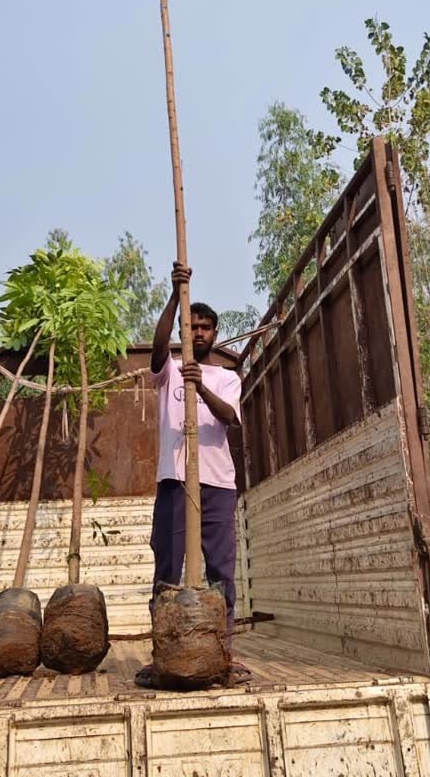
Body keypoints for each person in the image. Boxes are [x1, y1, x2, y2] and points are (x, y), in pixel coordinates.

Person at [135, 261, 251, 687]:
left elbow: (230, 420)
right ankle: (163, 654)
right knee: (167, 566)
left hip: (218, 482)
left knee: (221, 570)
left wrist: (200, 385)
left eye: (205, 327)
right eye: (192, 326)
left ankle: (224, 655)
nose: (198, 333)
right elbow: (159, 345)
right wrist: (174, 293)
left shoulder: (226, 378)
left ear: (215, 334)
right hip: (175, 479)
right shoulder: (168, 373)